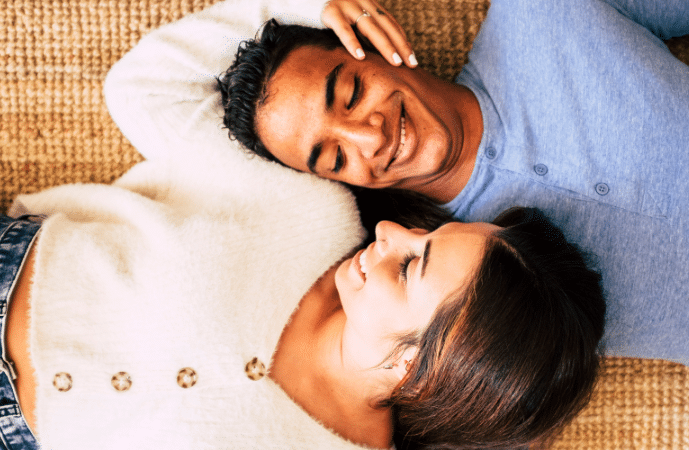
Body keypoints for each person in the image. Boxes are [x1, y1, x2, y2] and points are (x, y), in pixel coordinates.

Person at [111, 0, 689, 383]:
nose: (368, 137)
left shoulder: (543, 18)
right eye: (329, 155)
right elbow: (145, 95)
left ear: (372, 43)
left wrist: (298, 3)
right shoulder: (422, 280)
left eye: (349, 91)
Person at [4, 47, 606, 449]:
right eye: (426, 233)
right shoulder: (310, 207)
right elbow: (150, 90)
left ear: (415, 371)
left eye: (410, 265)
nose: (391, 233)